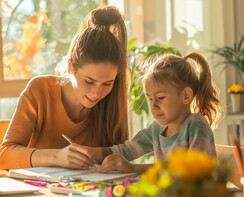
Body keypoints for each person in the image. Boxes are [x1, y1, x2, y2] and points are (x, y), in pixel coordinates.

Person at [0, 6, 130, 170]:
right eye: (89, 81)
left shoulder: (113, 100)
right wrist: (56, 157)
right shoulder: (40, 90)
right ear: (71, 66)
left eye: (107, 84)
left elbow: (120, 160)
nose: (97, 92)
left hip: (88, 192)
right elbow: (4, 156)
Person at [89, 51, 221, 173]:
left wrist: (132, 168)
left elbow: (188, 171)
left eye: (161, 98)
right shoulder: (157, 129)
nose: (154, 106)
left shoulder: (196, 125)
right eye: (150, 99)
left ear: (186, 96)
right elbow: (126, 150)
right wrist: (85, 152)